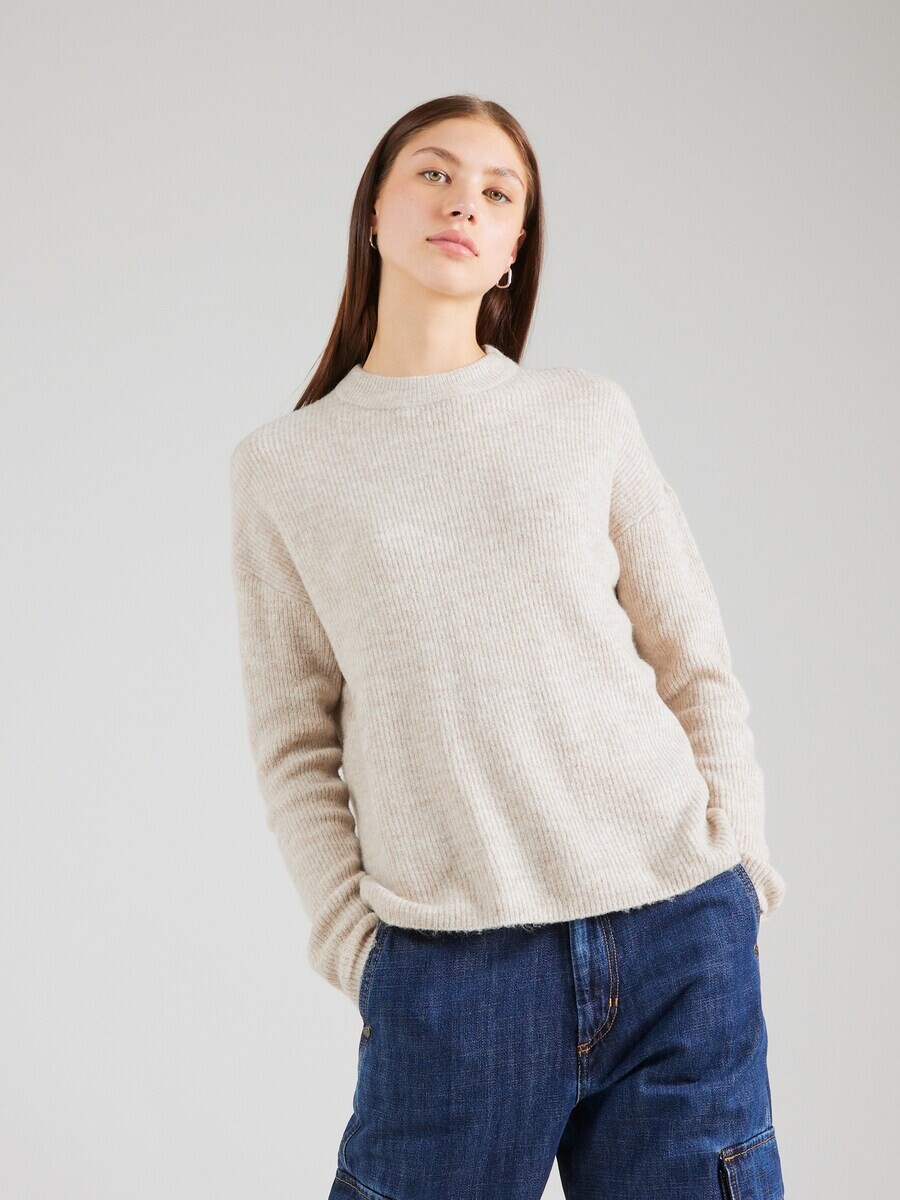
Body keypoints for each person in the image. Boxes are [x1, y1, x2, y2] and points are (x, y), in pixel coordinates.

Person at [229, 93, 787, 1200]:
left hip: (675, 935)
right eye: (434, 175)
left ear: (515, 247)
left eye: (498, 192)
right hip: (454, 973)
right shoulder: (285, 466)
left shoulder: (585, 414)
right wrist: (361, 950)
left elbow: (694, 661)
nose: (464, 205)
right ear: (374, 211)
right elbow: (295, 742)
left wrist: (740, 872)